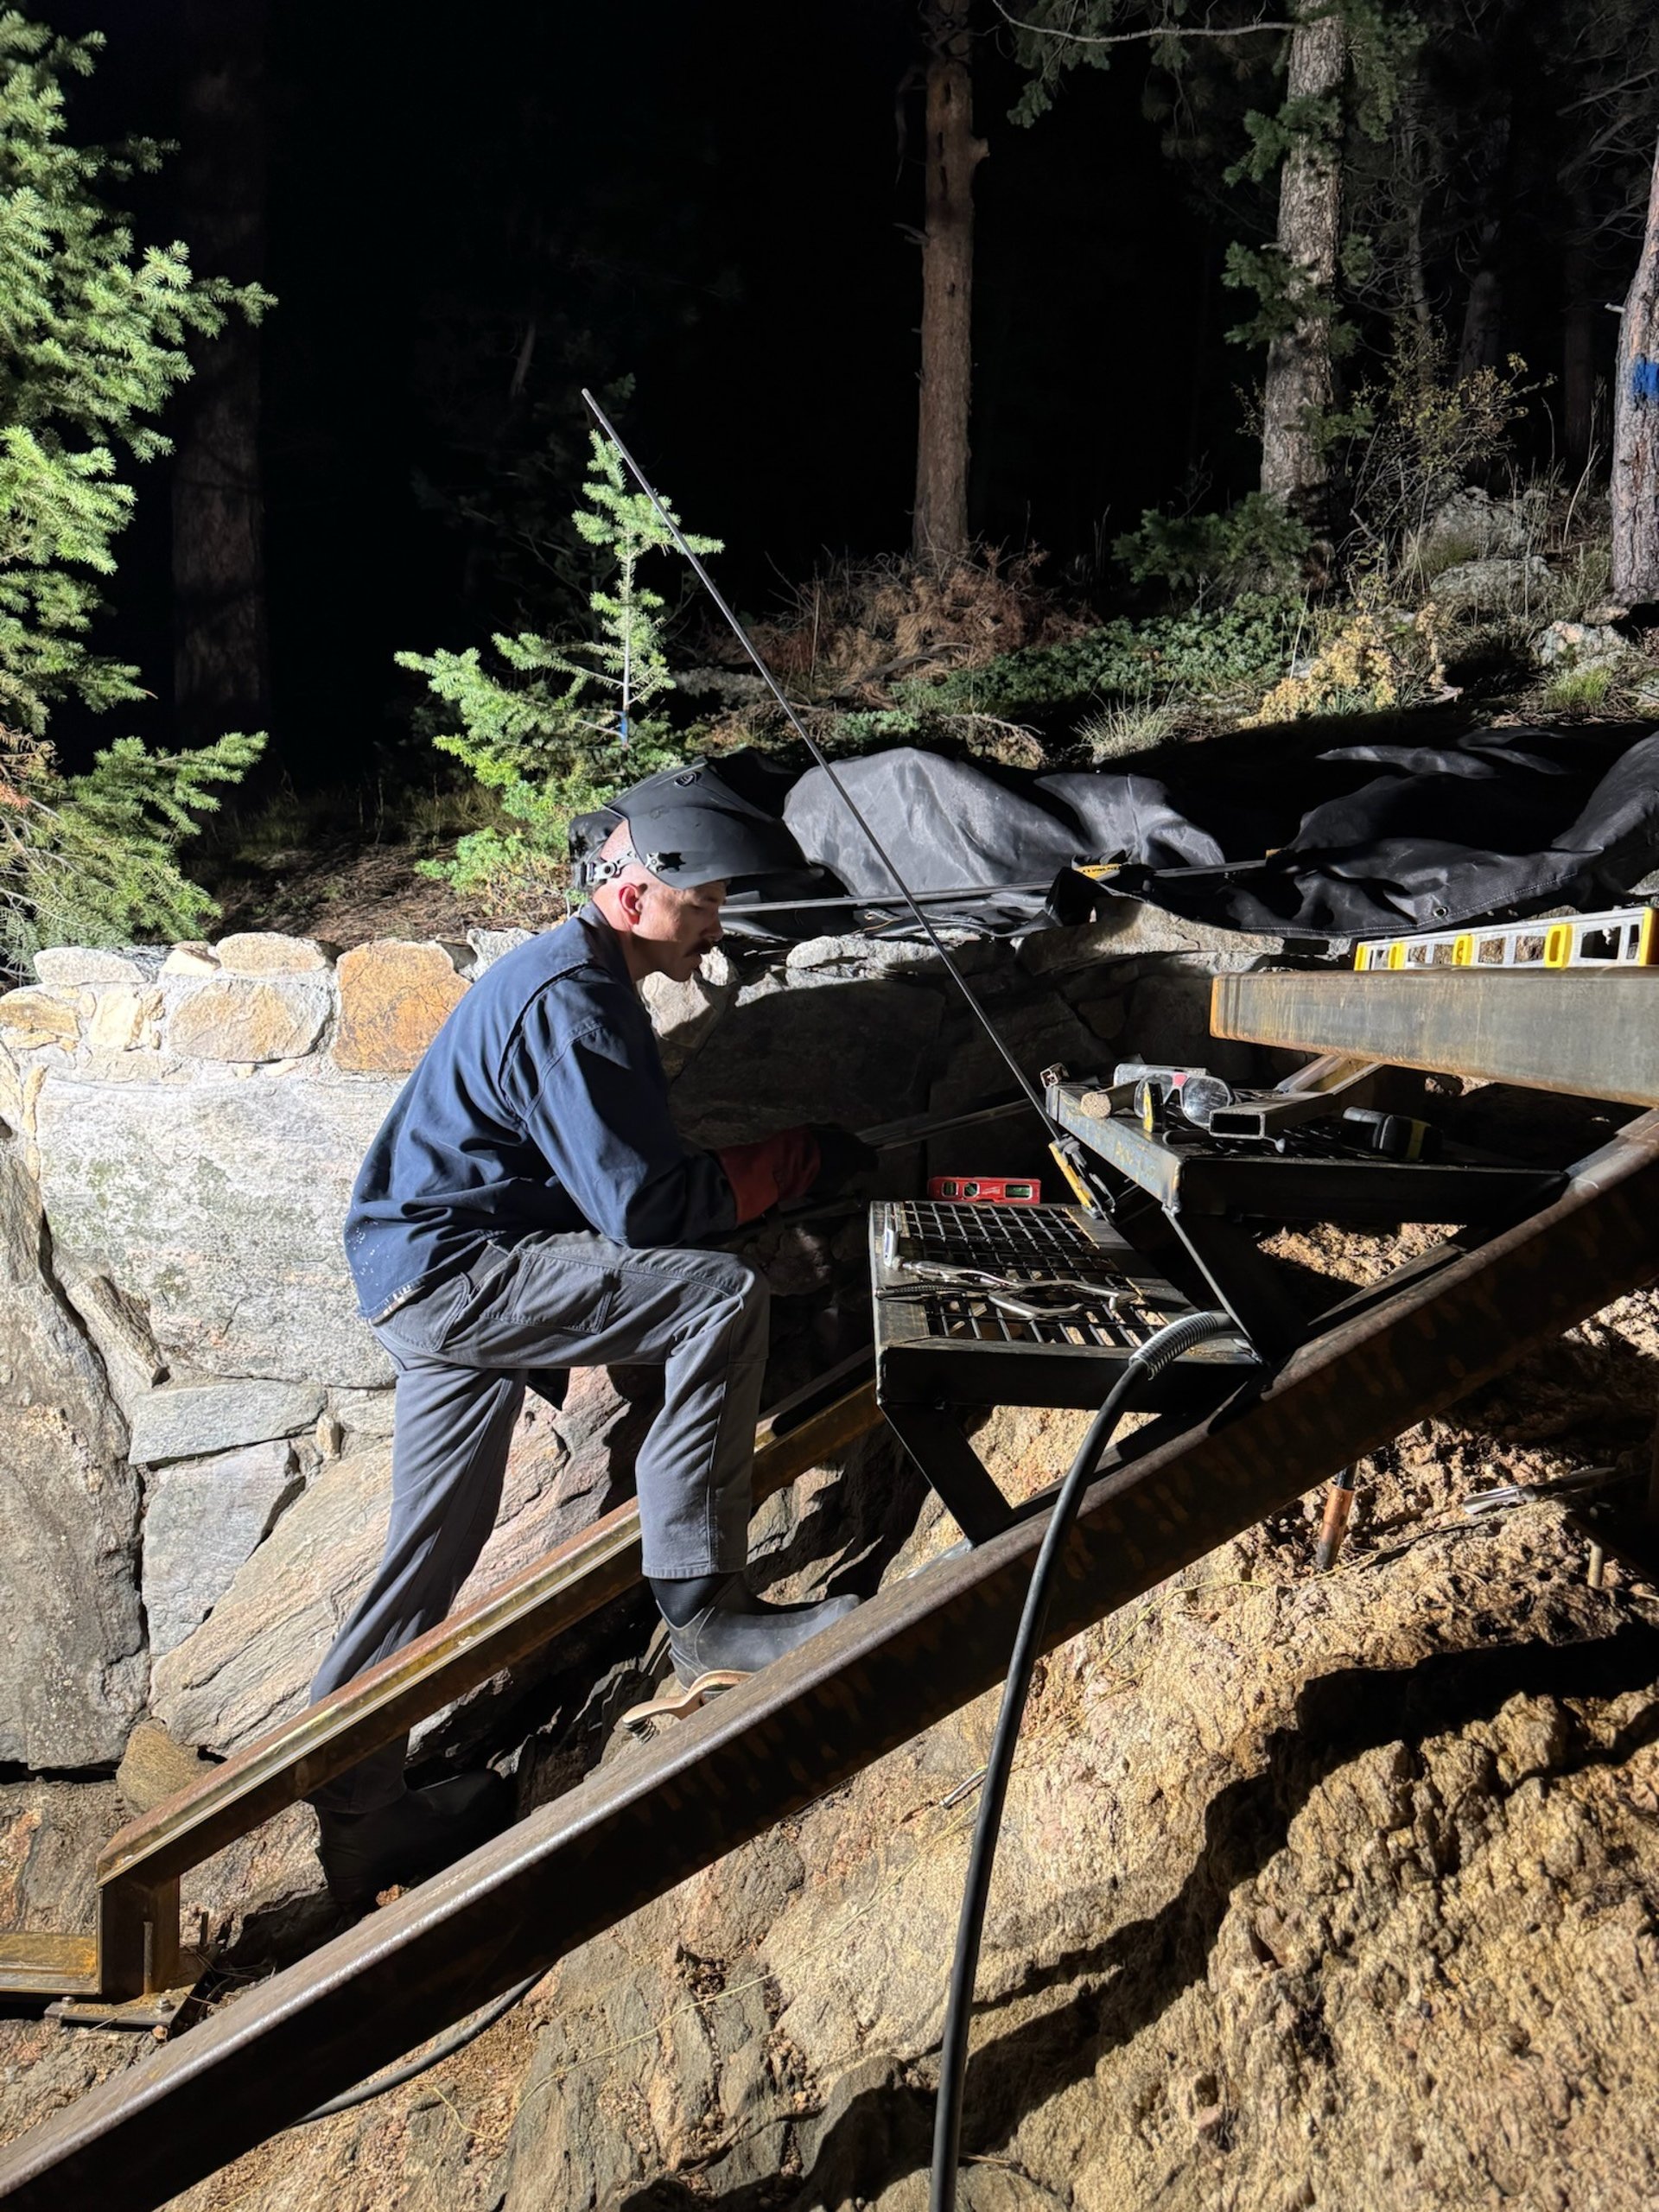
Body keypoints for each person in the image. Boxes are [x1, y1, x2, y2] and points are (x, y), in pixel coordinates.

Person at [308, 763, 864, 1909]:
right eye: (701, 902)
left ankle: (360, 1822)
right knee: (714, 1294)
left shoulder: (576, 977)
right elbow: (648, 1210)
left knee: (431, 1553)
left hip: (422, 1274)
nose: (713, 928)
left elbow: (600, 1173)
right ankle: (706, 1614)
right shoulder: (571, 998)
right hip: (461, 1277)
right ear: (633, 893)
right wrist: (799, 1159)